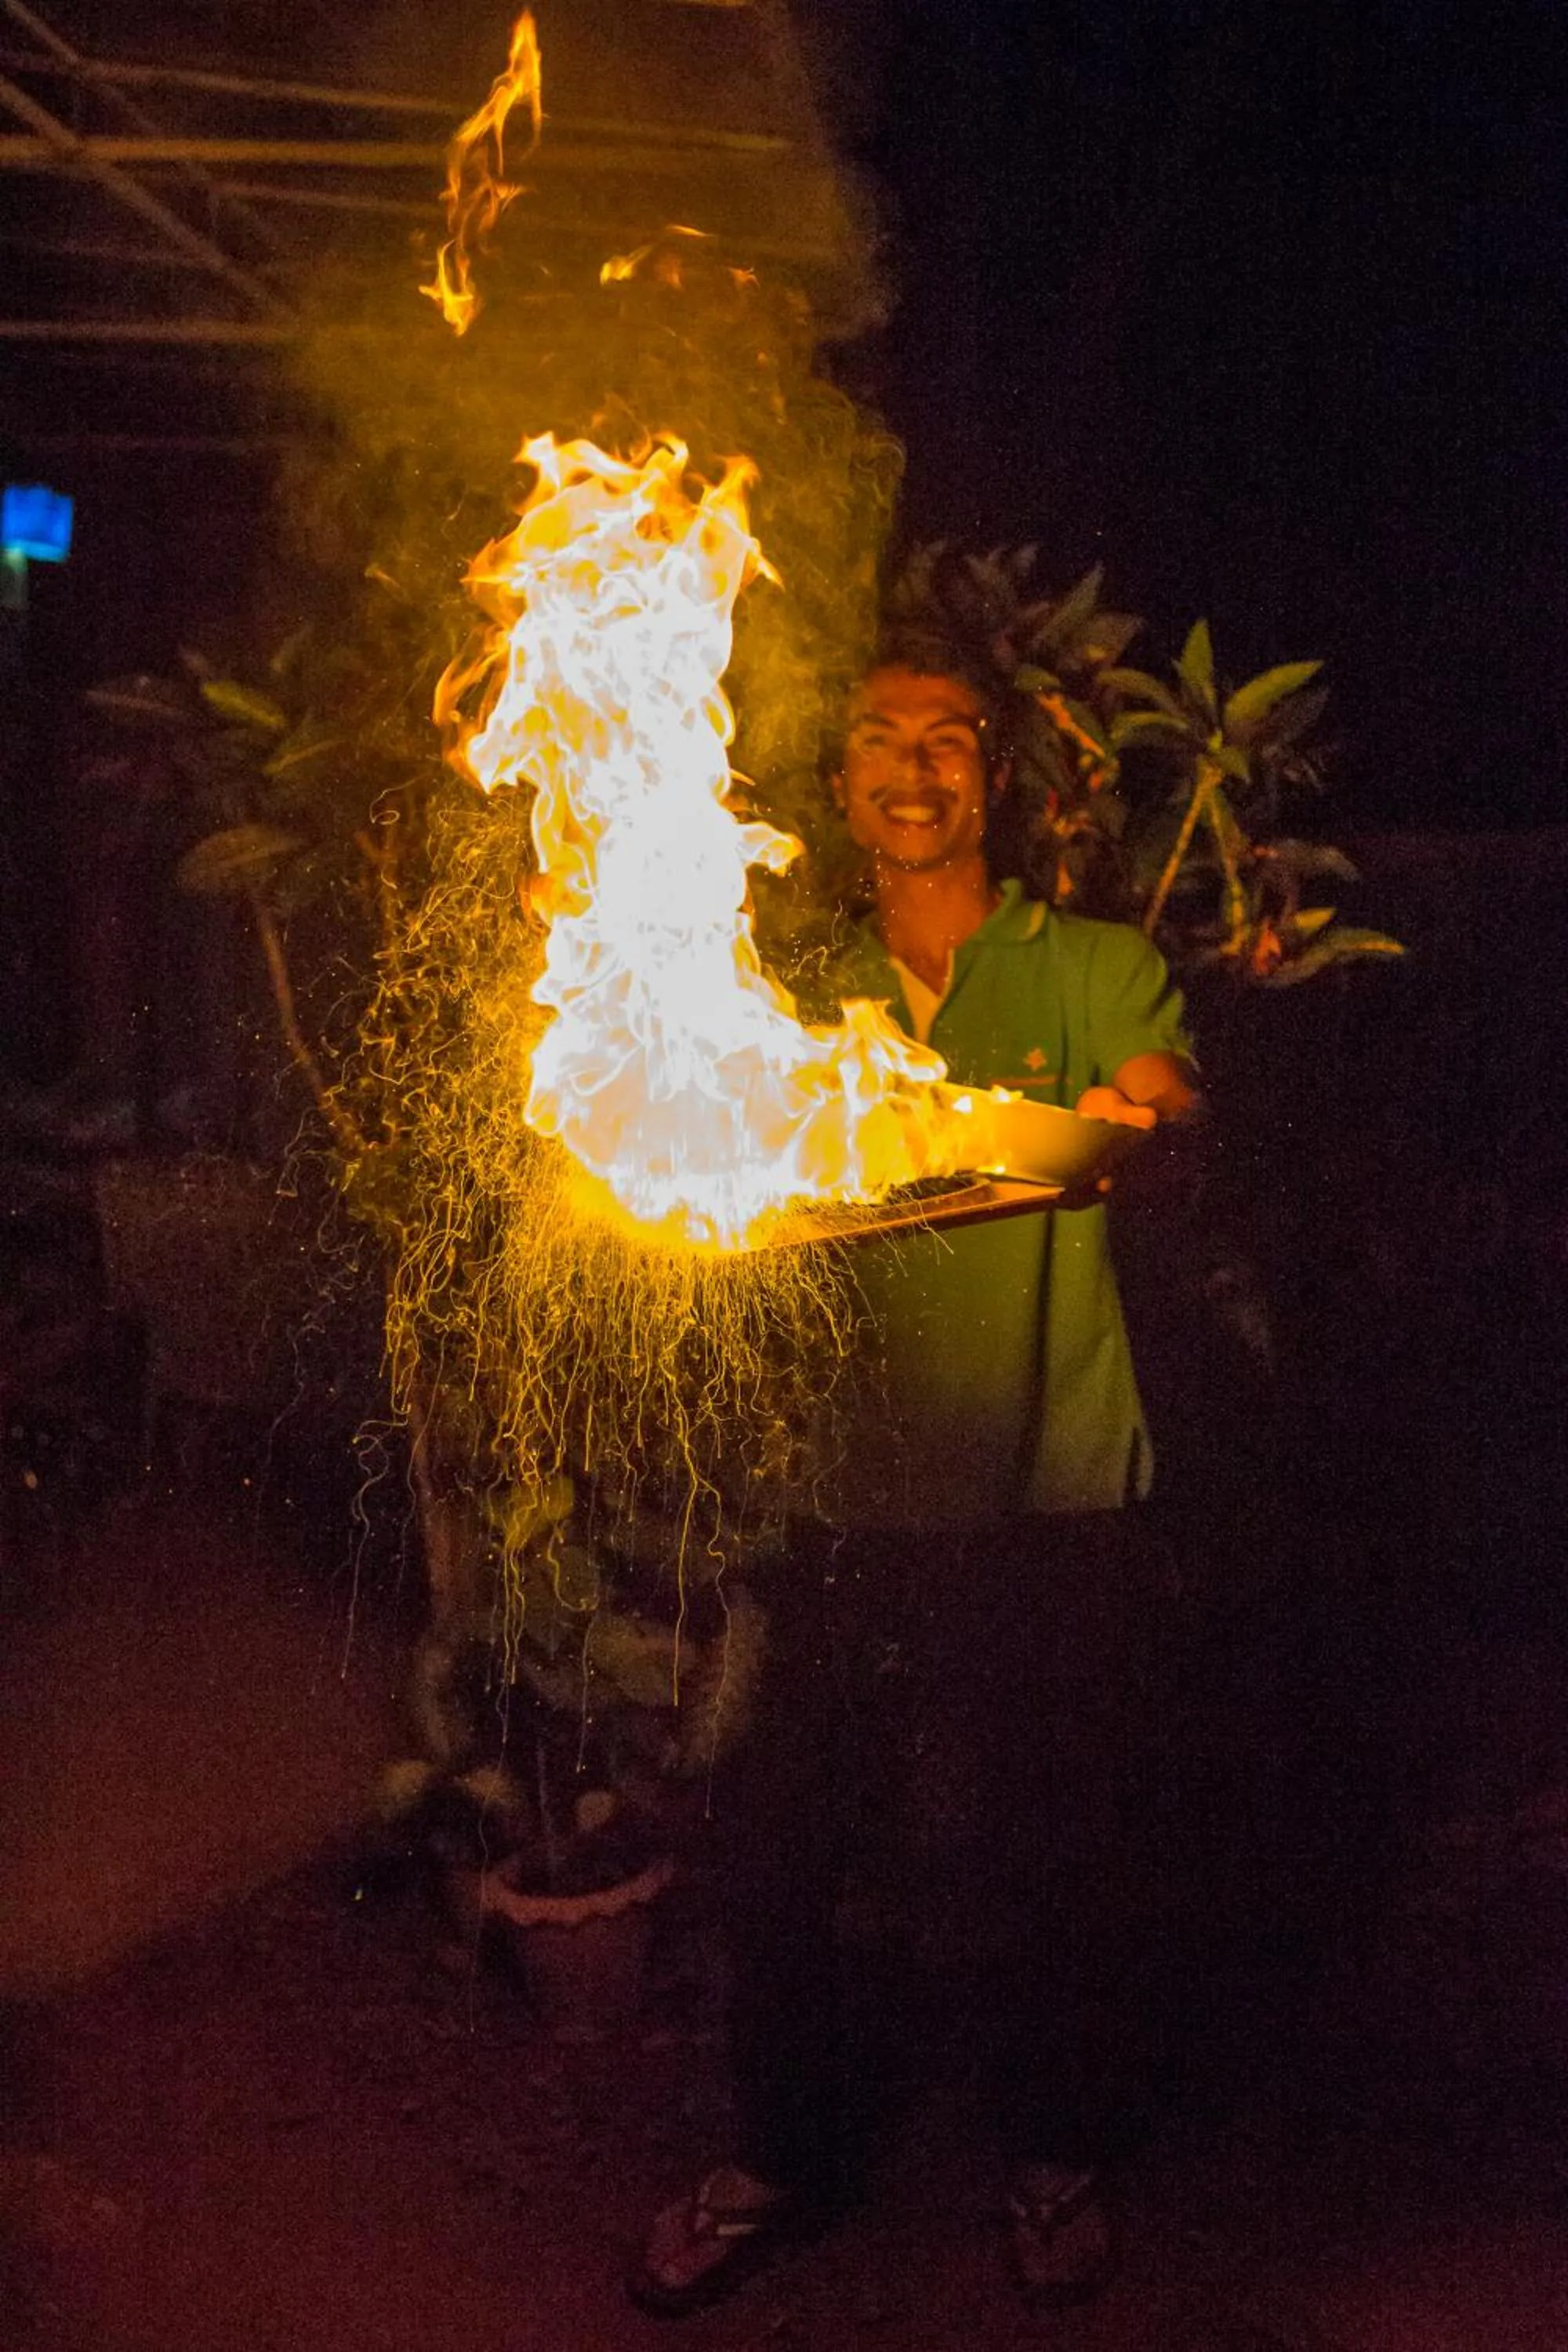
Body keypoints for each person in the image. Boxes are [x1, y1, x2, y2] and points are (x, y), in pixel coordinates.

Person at [630, 637, 1201, 2317]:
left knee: (1055, 1843)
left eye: (945, 738)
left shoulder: (1090, 960)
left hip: (1056, 1488)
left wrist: (1123, 1114)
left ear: (990, 778)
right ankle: (784, 2156)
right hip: (835, 1494)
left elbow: (1161, 1105)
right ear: (840, 788)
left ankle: (1052, 2158)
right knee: (786, 1839)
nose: (911, 764)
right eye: (877, 738)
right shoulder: (781, 991)